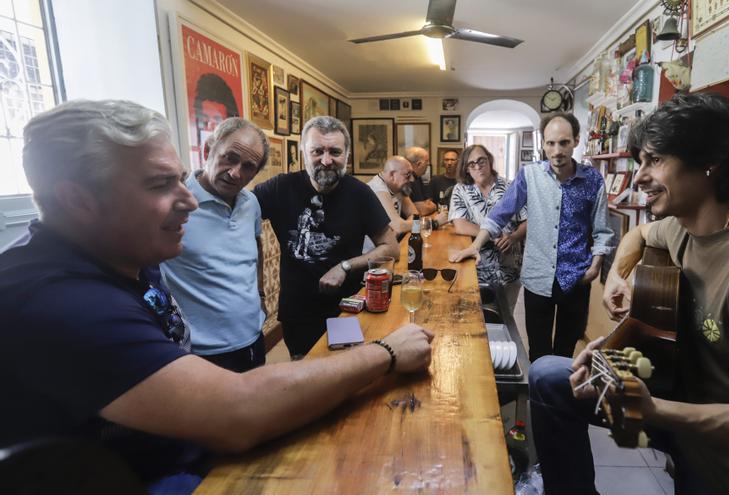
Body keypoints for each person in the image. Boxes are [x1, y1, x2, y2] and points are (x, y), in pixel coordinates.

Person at [0, 100, 433, 491]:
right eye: (159, 184)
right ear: (78, 202)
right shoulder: (60, 298)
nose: (190, 198)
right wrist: (386, 352)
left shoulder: (127, 251)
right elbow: (237, 411)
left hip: (186, 444)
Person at [529, 93, 729, 495]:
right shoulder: (683, 226)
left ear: (709, 161)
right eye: (640, 162)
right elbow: (640, 234)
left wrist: (651, 408)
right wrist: (620, 286)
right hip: (684, 400)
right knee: (548, 376)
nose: (639, 177)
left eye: (654, 160)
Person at [451, 112, 614, 362]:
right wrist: (476, 245)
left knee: (565, 352)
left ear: (576, 141)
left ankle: (559, 397)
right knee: (538, 352)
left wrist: (595, 266)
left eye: (564, 142)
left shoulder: (592, 179)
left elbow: (602, 230)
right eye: (550, 143)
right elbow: (500, 213)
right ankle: (539, 400)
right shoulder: (530, 175)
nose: (557, 150)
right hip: (538, 277)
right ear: (543, 143)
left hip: (577, 278)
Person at [254, 116, 400, 358]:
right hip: (298, 311)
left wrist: (344, 266)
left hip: (347, 308)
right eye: (317, 151)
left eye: (335, 152)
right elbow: (238, 211)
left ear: (347, 155)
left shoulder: (360, 194)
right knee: (304, 379)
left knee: (346, 376)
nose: (326, 160)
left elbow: (391, 248)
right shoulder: (280, 188)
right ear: (303, 152)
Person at [160, 117, 270, 373]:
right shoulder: (175, 203)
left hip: (253, 338)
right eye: (229, 158)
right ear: (209, 149)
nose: (235, 173)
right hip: (200, 352)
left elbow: (256, 246)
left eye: (248, 167)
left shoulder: (250, 203)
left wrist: (261, 294)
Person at [449, 145, 527, 311]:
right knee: (477, 318)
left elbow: (527, 221)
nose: (477, 167)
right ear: (466, 169)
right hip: (476, 270)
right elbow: (460, 224)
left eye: (481, 161)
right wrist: (492, 236)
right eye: (472, 164)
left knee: (506, 319)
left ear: (489, 161)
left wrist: (513, 237)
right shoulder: (461, 189)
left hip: (510, 270)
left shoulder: (511, 186)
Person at [366, 156, 418, 236]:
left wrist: (406, 225)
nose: (412, 179)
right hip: (375, 247)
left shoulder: (398, 187)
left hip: (392, 244)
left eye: (412, 174)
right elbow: (399, 227)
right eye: (407, 175)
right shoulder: (378, 189)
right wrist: (433, 223)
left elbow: (416, 216)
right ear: (392, 175)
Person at [403, 146, 438, 216]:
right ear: (419, 164)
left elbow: (427, 201)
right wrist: (434, 207)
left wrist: (426, 205)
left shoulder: (417, 177)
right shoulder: (410, 179)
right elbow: (422, 210)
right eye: (427, 161)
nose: (428, 164)